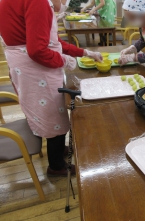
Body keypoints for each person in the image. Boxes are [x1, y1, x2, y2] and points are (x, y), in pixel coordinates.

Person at [0, 0, 102, 176]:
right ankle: (56, 166)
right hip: (36, 70)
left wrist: (85, 52)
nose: (64, 3)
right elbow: (38, 50)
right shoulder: (37, 2)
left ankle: (57, 149)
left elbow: (52, 42)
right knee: (53, 114)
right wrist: (67, 60)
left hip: (24, 69)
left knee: (48, 113)